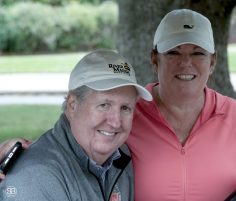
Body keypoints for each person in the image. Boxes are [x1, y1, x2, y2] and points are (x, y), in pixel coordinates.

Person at [0, 9, 236, 201]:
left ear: (212, 62)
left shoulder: (234, 115)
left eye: (197, 53)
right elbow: (72, 142)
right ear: (154, 59)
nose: (186, 62)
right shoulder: (131, 112)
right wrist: (23, 156)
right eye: (173, 51)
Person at [0, 49, 152, 201]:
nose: (116, 122)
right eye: (104, 105)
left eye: (125, 108)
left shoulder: (122, 157)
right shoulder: (35, 176)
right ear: (73, 104)